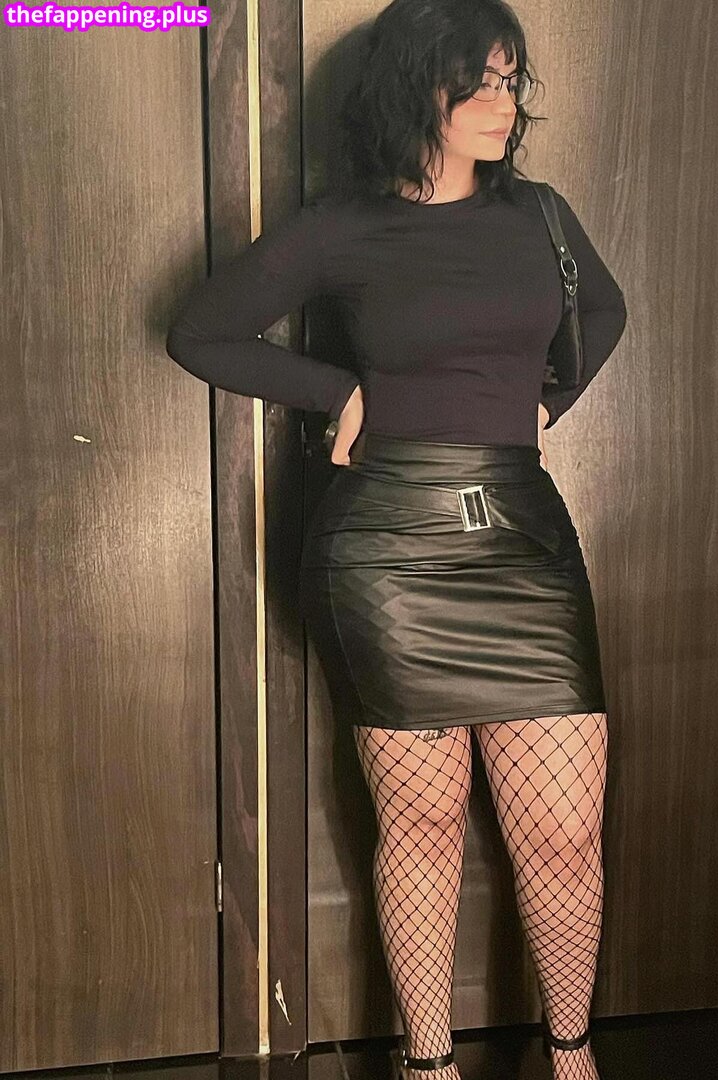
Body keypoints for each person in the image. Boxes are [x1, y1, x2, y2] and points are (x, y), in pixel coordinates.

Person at [165, 1, 627, 1077]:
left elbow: (601, 314)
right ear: (415, 87)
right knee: (419, 826)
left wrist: (546, 402)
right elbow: (201, 331)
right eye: (479, 81)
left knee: (565, 835)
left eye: (512, 81)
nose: (503, 104)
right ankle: (428, 1065)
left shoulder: (542, 216)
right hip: (387, 553)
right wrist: (338, 394)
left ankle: (572, 1057)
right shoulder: (343, 226)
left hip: (524, 542)